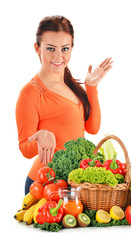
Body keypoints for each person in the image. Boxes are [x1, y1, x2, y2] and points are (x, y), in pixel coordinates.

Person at [15, 15, 113, 195]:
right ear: (37, 48)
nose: (58, 56)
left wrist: (91, 88)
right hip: (44, 184)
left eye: (65, 48)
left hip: (75, 182)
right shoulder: (30, 93)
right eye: (50, 49)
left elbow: (92, 128)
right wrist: (40, 138)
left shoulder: (70, 84)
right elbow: (24, 150)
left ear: (71, 49)